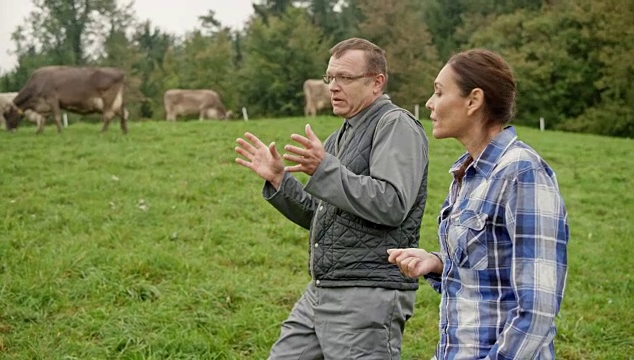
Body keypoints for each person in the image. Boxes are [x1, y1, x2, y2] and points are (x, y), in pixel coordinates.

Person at [235, 37, 429, 359]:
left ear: (376, 83)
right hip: (323, 289)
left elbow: (392, 203)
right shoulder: (340, 136)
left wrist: (324, 170)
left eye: (345, 78)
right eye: (330, 77)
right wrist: (280, 180)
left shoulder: (395, 124)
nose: (333, 87)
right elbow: (324, 216)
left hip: (366, 294)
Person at [388, 49, 570, 359]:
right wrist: (436, 262)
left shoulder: (522, 173)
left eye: (439, 92)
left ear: (473, 100)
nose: (430, 103)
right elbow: (490, 276)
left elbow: (536, 311)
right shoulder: (467, 174)